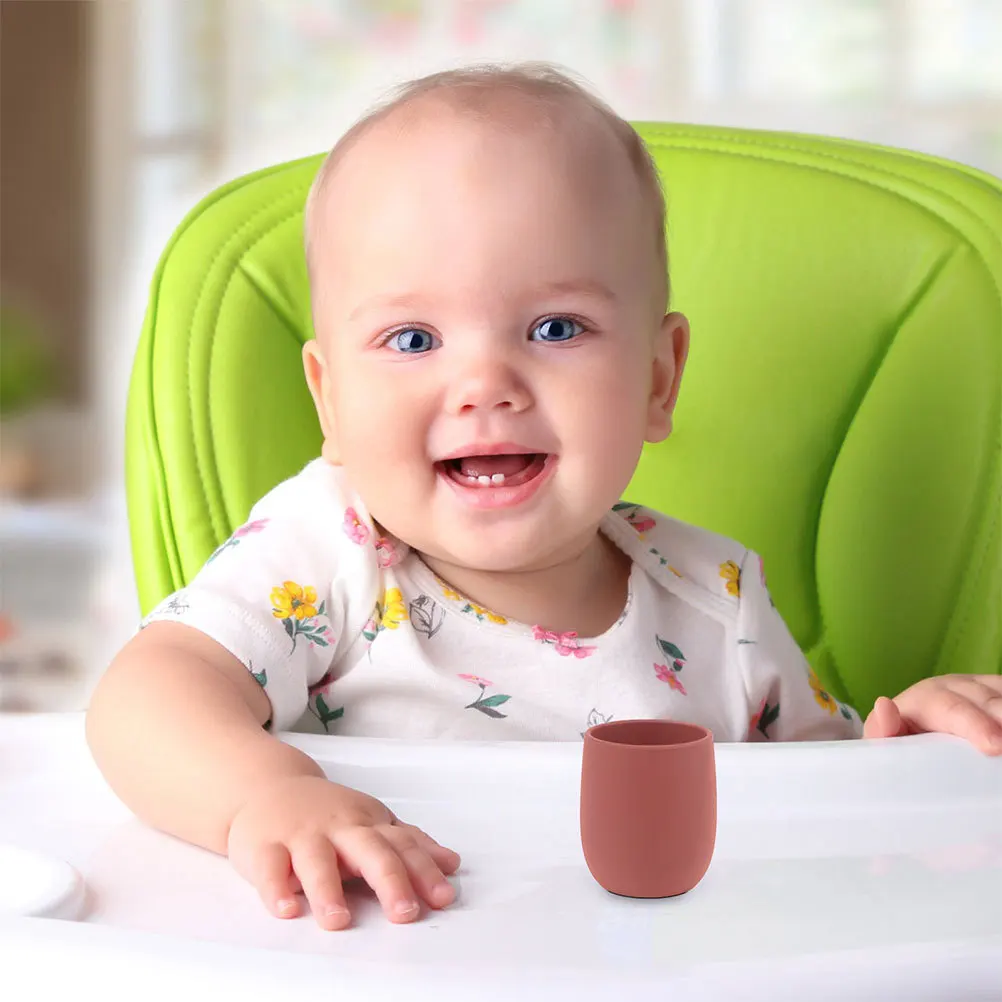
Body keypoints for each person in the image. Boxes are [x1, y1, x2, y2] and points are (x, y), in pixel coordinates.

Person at [85, 63, 1002, 933]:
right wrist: (266, 796)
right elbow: (144, 701)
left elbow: (831, 825)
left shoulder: (719, 601)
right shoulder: (327, 550)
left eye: (556, 327)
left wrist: (910, 754)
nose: (485, 384)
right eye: (413, 339)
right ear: (330, 401)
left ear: (657, 379)